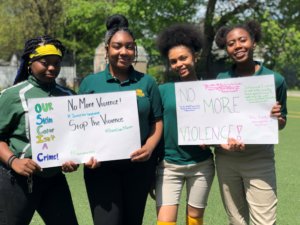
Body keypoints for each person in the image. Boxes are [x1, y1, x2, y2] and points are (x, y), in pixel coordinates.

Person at [79, 14, 163, 225]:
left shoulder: (147, 82)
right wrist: (85, 154)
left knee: (133, 221)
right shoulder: (90, 83)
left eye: (129, 47)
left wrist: (150, 147)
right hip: (101, 169)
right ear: (107, 49)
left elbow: (157, 120)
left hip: (139, 166)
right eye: (117, 46)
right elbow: (78, 126)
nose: (124, 52)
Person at [214, 20, 287, 225]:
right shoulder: (221, 79)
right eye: (231, 43)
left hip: (259, 158)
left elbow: (282, 122)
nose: (237, 46)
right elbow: (215, 121)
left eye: (242, 40)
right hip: (226, 158)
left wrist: (276, 118)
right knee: (236, 221)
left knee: (264, 221)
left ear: (253, 42)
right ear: (226, 49)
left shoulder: (275, 80)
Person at [0, 35, 79, 225]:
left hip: (54, 180)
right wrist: (14, 161)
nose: (52, 68)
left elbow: (75, 137)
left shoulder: (69, 96)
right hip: (16, 180)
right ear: (30, 62)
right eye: (45, 62)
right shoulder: (12, 96)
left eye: (56, 63)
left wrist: (73, 158)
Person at [155, 23, 215, 225]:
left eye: (183, 58)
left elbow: (222, 124)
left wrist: (212, 136)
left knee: (195, 219)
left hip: (201, 165)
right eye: (173, 61)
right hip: (169, 166)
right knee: (165, 221)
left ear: (195, 57)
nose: (179, 64)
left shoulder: (211, 90)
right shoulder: (162, 91)